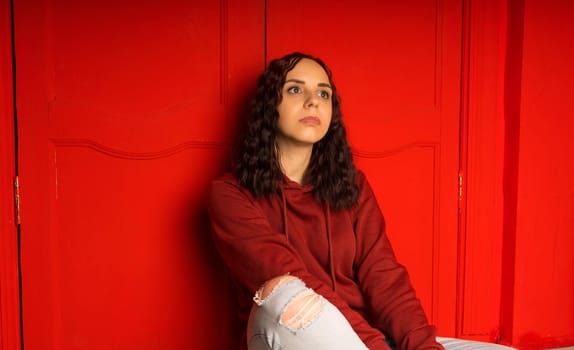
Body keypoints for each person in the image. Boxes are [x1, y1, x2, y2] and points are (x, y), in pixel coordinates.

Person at [207, 52, 514, 350]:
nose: (313, 100)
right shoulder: (230, 193)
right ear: (268, 106)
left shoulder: (351, 185)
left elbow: (383, 274)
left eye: (323, 94)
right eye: (295, 89)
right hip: (288, 334)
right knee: (284, 291)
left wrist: (422, 346)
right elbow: (291, 278)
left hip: (365, 338)